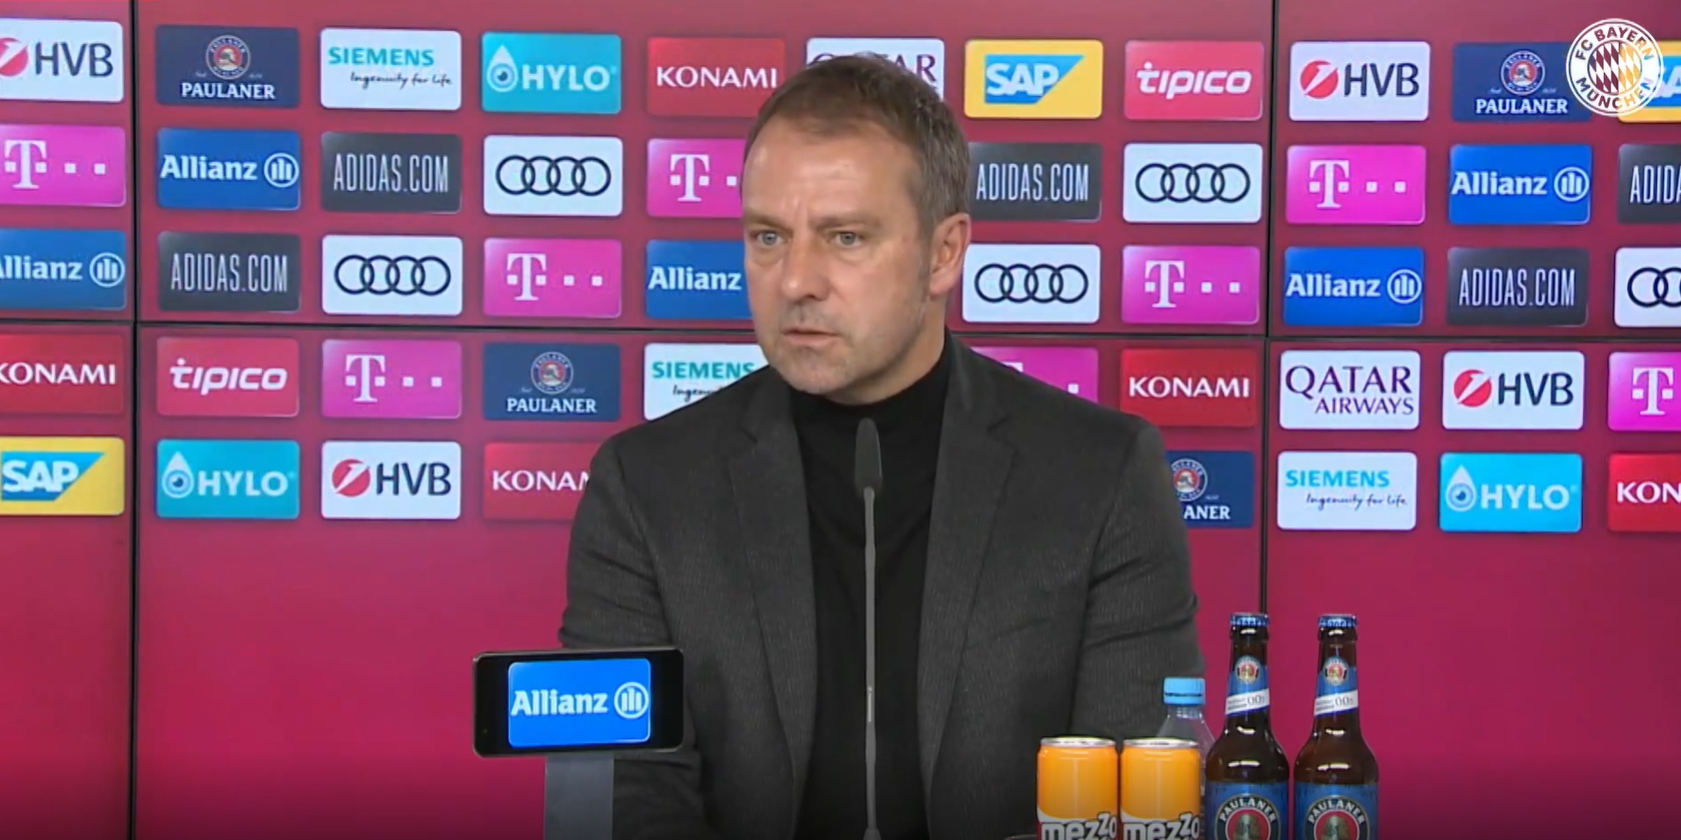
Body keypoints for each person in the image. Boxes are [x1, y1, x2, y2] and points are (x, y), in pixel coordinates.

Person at [560, 54, 1202, 840]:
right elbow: (622, 807)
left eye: (845, 237)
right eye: (767, 236)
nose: (795, 280)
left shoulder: (1101, 476)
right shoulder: (645, 488)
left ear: (943, 253)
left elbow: (1134, 805)